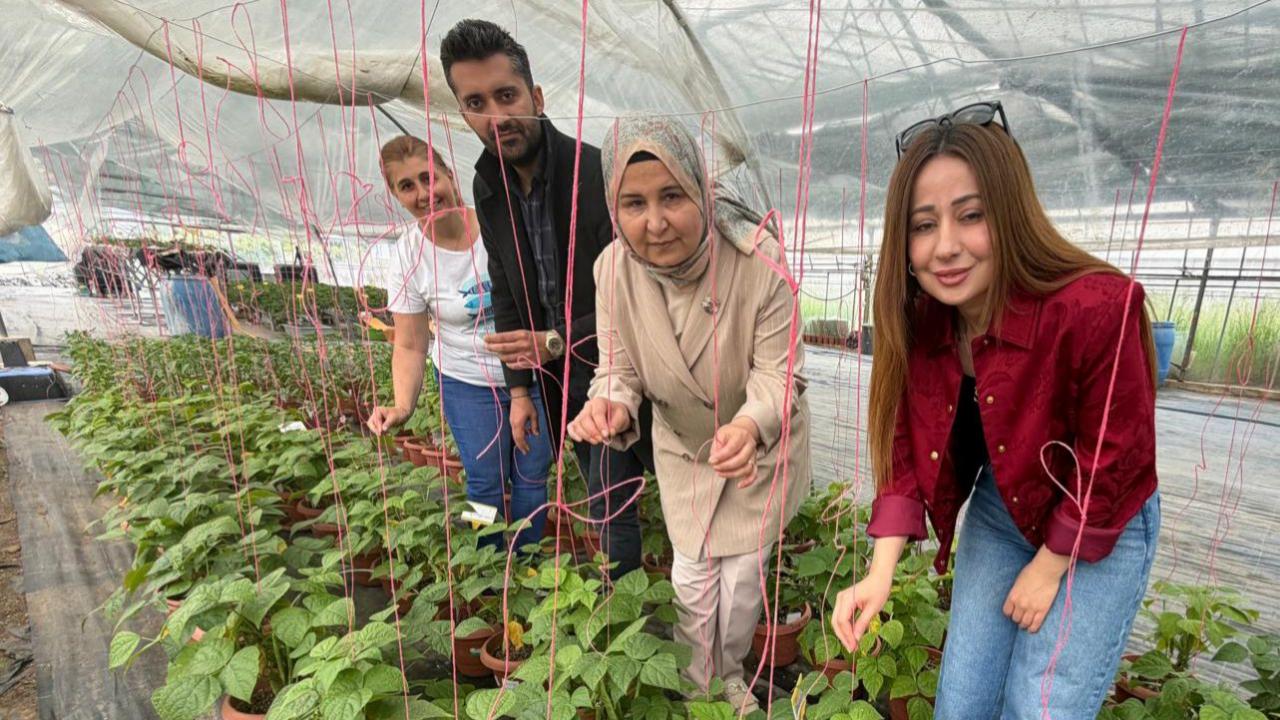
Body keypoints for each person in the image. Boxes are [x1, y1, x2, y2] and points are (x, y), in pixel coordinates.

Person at [831, 101, 1161, 717]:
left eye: (971, 216)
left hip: (1098, 515)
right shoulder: (924, 326)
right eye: (924, 225)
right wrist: (878, 574)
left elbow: (1114, 456)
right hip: (1004, 508)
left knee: (1043, 706)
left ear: (1008, 213)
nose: (946, 247)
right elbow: (905, 447)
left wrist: (1052, 563)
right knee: (962, 700)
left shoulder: (1096, 309)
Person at [567, 116, 811, 715]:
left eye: (672, 195)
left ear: (701, 190)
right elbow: (617, 367)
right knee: (693, 579)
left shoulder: (758, 260)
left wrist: (750, 425)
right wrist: (608, 406)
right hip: (684, 447)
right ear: (613, 208)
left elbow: (781, 375)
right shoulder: (612, 272)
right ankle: (697, 689)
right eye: (634, 203)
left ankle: (727, 674)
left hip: (758, 450)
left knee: (744, 580)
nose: (655, 221)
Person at [441, 19, 653, 577]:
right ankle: (597, 599)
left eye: (506, 95)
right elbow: (506, 284)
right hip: (563, 380)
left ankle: (624, 613)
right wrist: (518, 390)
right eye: (476, 102)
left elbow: (638, 296)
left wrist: (555, 340)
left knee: (619, 503)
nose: (497, 115)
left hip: (626, 368)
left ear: (536, 96)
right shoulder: (488, 186)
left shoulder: (599, 171)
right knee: (601, 497)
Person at [367, 135, 552, 552]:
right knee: (484, 479)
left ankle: (526, 565)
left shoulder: (499, 224)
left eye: (428, 178)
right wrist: (401, 404)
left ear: (449, 173)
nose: (423, 194)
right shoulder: (407, 258)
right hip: (466, 382)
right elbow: (412, 344)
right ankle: (485, 572)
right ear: (396, 195)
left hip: (533, 373)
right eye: (407, 186)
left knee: (533, 474)